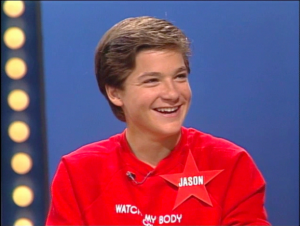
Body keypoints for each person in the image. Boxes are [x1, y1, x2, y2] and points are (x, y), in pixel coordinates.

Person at [46, 16, 270, 225]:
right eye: (152, 81)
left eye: (179, 76)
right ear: (115, 93)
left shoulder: (231, 165)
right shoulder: (79, 173)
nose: (172, 94)